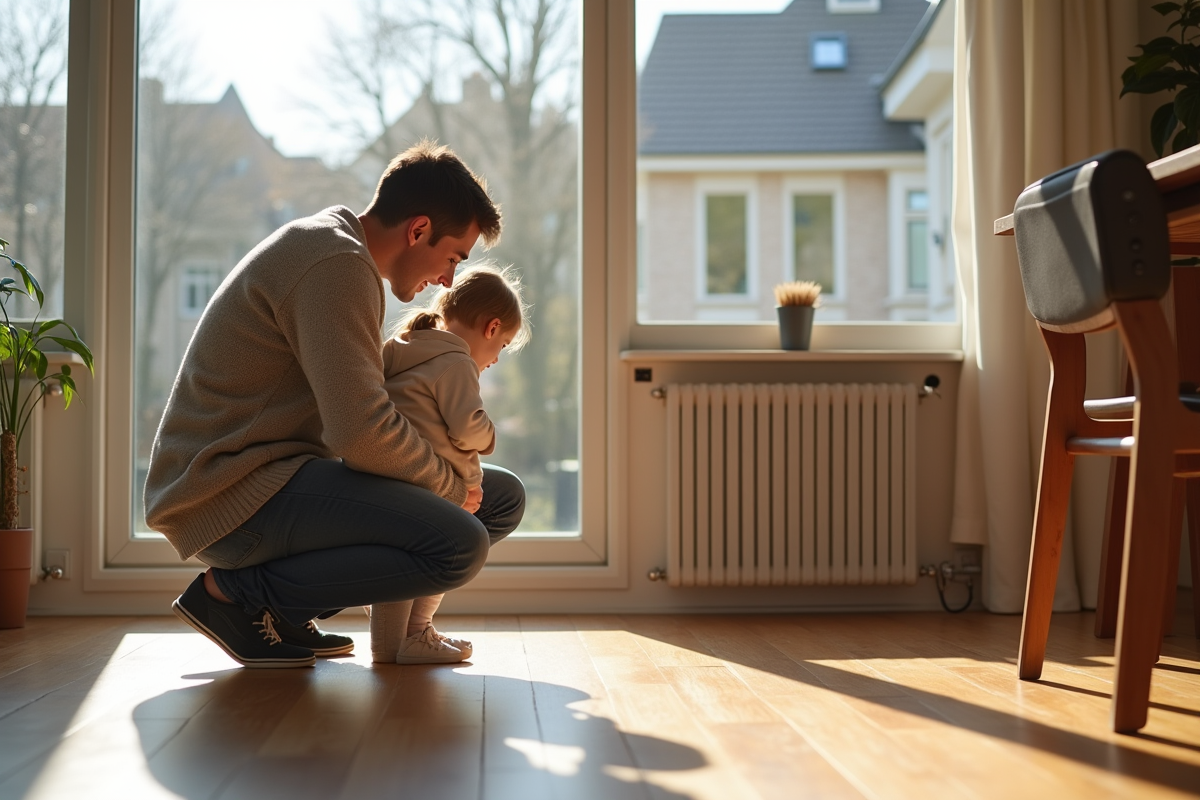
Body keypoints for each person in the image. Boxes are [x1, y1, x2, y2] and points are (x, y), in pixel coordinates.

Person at [144, 140, 525, 668]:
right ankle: (234, 598)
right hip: (229, 491)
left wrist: (451, 478)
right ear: (418, 230)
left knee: (498, 498)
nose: (447, 280)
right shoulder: (336, 265)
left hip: (276, 475)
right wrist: (449, 485)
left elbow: (365, 414)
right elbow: (361, 432)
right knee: (460, 543)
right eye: (453, 258)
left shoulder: (338, 251)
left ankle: (285, 612)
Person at [370, 263, 529, 664]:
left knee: (411, 553)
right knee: (442, 551)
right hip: (430, 487)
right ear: (491, 327)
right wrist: (489, 435)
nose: (496, 359)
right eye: (502, 345)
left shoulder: (403, 346)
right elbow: (465, 428)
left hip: (395, 476)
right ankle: (411, 633)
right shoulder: (457, 362)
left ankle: (407, 632)